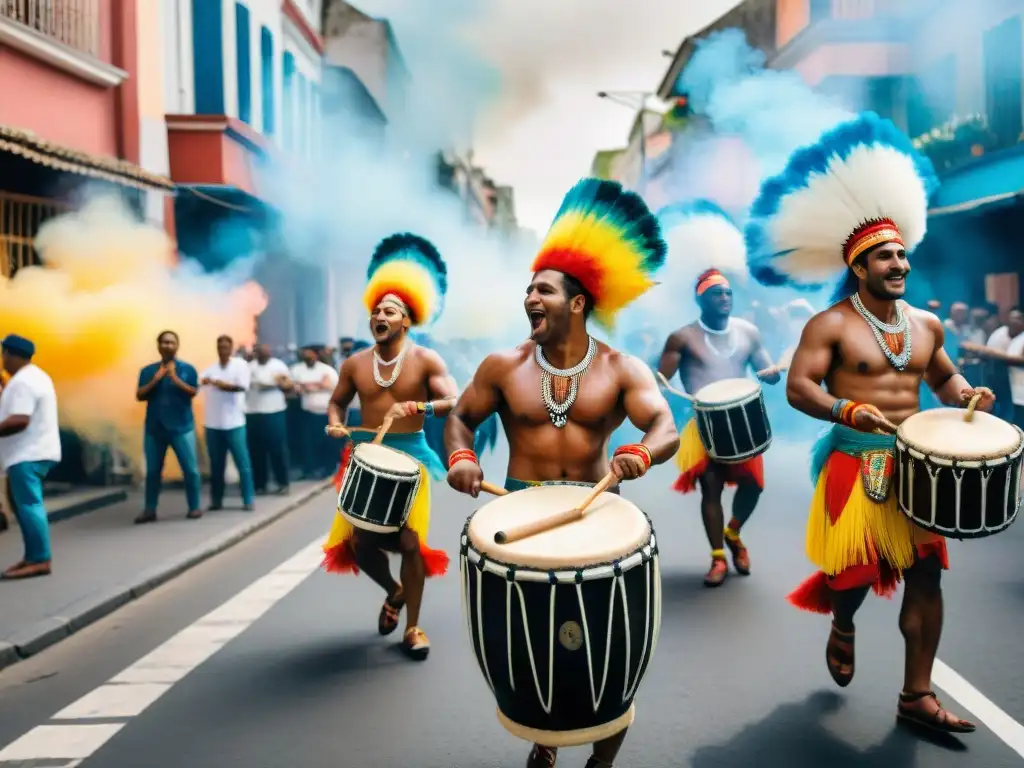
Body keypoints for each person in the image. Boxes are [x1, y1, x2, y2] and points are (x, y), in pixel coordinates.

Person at [745, 111, 991, 734]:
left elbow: (942, 377)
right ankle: (843, 617)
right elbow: (800, 387)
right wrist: (844, 407)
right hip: (856, 461)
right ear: (859, 267)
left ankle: (916, 696)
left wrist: (968, 393)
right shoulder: (828, 325)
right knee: (851, 576)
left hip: (919, 460)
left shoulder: (928, 325)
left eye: (904, 253)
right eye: (885, 256)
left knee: (927, 575)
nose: (899, 263)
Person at [445, 178, 679, 768]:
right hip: (518, 510)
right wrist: (462, 458)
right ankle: (545, 737)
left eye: (544, 290)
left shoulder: (622, 369)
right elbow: (460, 419)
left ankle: (599, 760)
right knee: (542, 646)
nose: (530, 298)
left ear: (577, 303)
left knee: (607, 650)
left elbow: (666, 428)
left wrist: (641, 454)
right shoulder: (503, 366)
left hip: (597, 516)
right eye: (528, 289)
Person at [321, 233, 457, 661]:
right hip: (364, 455)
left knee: (411, 543)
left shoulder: (426, 360)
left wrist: (420, 405)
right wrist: (334, 424)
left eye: (390, 311)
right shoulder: (354, 364)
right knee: (361, 545)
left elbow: (455, 400)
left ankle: (413, 627)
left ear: (405, 322)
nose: (380, 314)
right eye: (377, 310)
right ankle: (393, 591)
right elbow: (336, 402)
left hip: (411, 458)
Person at [654, 201, 782, 587]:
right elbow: (660, 379)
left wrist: (772, 373)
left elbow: (764, 366)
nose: (724, 298)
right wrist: (679, 400)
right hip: (704, 423)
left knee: (753, 486)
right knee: (710, 487)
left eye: (727, 293)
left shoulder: (748, 331)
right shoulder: (682, 336)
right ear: (700, 300)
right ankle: (717, 558)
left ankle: (734, 532)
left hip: (742, 425)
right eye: (716, 294)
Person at [0, 335, 61, 579]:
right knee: (21, 504)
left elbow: (20, 419)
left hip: (28, 454)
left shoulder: (23, 382)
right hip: (30, 453)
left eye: (3, 353)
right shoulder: (34, 377)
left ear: (11, 354)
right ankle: (32, 556)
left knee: (29, 505)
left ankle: (40, 559)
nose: (2, 359)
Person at [135, 330, 202, 523]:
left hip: (182, 427)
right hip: (155, 429)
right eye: (164, 342)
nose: (167, 346)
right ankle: (150, 509)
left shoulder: (188, 369)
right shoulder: (148, 371)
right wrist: (156, 379)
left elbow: (193, 391)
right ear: (158, 346)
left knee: (190, 470)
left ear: (177, 346)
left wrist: (174, 379)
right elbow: (139, 395)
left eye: (171, 343)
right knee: (153, 472)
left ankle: (194, 506)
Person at [200, 334, 255, 511]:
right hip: (213, 424)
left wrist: (219, 384)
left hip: (234, 422)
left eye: (226, 347)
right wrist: (210, 382)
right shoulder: (210, 369)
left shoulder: (240, 366)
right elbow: (199, 383)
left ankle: (248, 499)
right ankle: (216, 500)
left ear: (231, 348)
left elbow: (241, 387)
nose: (222, 349)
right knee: (216, 465)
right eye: (220, 347)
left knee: (242, 463)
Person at [246, 342, 292, 495]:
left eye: (264, 350)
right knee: (256, 450)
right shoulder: (249, 366)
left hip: (274, 411)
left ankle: (283, 483)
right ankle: (260, 484)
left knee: (277, 449)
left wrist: (273, 383)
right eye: (258, 351)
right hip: (253, 412)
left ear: (269, 352)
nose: (261, 353)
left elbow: (288, 385)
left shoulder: (278, 366)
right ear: (255, 352)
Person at [289, 345, 339, 479]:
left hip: (325, 412)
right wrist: (317, 384)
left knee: (326, 442)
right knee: (307, 442)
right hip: (307, 412)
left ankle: (327, 469)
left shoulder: (327, 370)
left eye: (310, 355)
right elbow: (293, 387)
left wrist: (305, 385)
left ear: (316, 356)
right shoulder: (296, 369)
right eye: (305, 355)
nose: (307, 358)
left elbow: (330, 386)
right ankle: (308, 470)